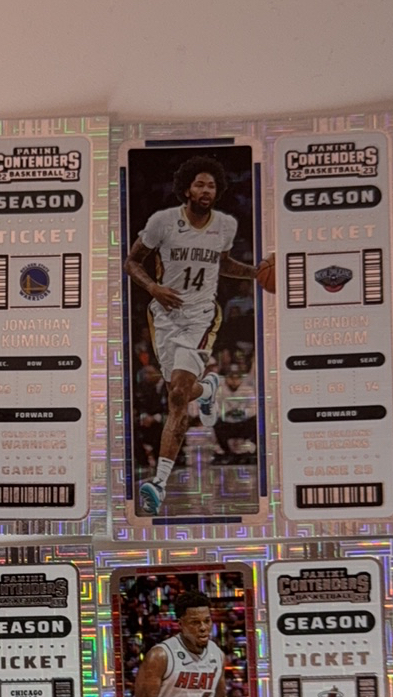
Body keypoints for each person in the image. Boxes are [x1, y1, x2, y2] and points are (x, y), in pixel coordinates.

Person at [124, 156, 269, 514]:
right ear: (187, 189)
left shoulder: (225, 225)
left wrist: (255, 273)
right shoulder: (162, 222)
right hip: (164, 316)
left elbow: (224, 263)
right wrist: (153, 288)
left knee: (176, 396)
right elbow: (132, 262)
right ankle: (207, 389)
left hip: (201, 317)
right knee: (180, 392)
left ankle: (158, 483)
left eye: (212, 185)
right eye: (200, 184)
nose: (206, 190)